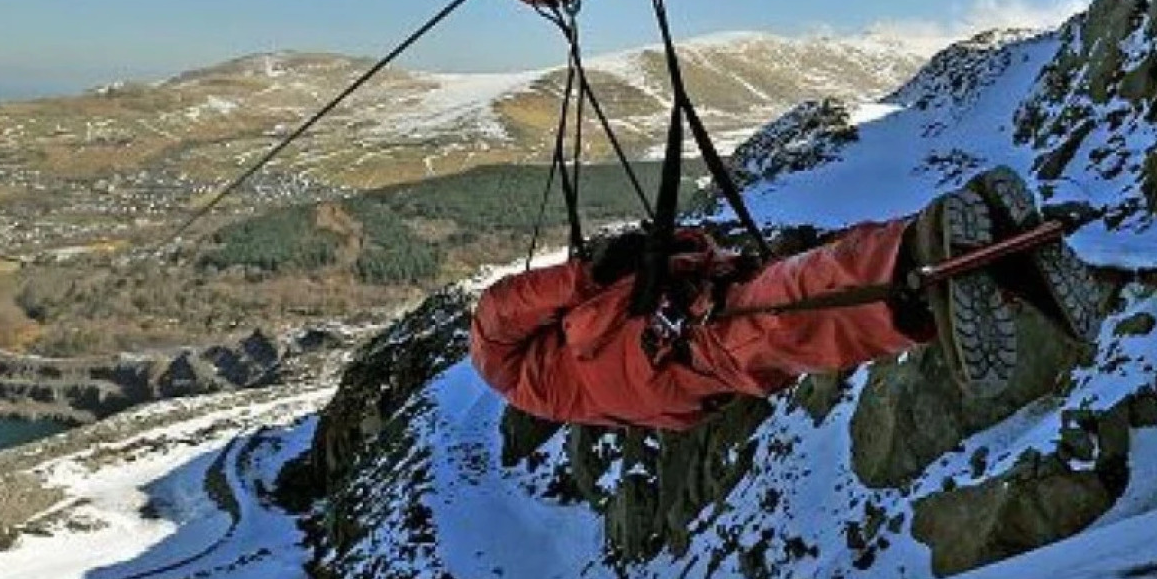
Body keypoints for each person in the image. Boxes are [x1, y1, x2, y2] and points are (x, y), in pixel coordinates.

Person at [470, 167, 1103, 431]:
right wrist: (586, 275)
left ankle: (991, 274)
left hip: (686, 361)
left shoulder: (576, 381)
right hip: (678, 341)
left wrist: (676, 257)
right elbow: (497, 311)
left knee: (798, 312)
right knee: (785, 308)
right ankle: (924, 257)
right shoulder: (531, 366)